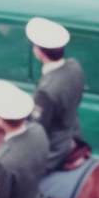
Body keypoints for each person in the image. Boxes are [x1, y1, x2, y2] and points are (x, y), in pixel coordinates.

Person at [25, 17, 85, 171]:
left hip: (55, 149)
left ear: (39, 52)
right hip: (74, 134)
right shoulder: (74, 66)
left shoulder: (46, 91)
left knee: (17, 174)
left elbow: (37, 131)